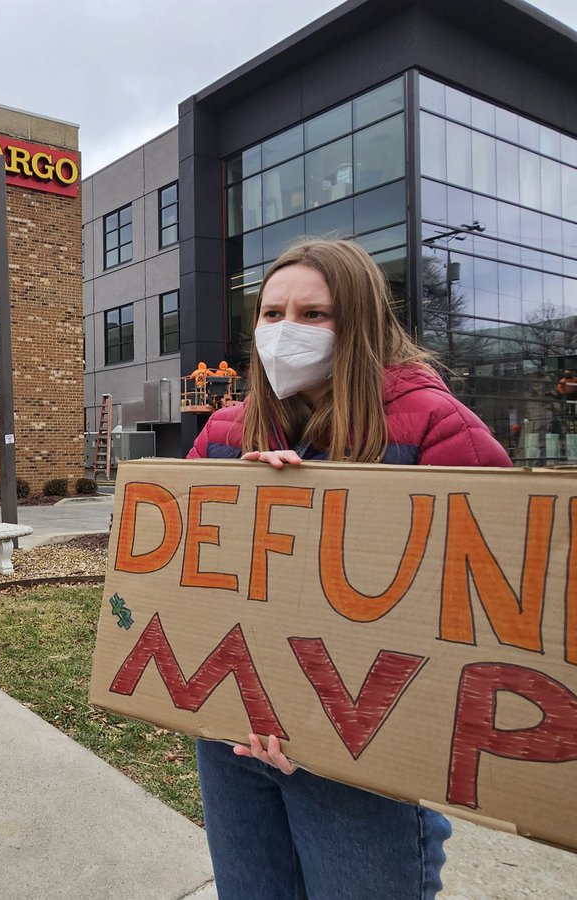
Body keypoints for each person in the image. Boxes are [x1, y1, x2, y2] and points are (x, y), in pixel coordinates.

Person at [186, 239, 511, 900]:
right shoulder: (224, 431)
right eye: (271, 313)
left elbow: (495, 597)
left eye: (313, 314)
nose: (285, 332)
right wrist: (241, 511)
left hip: (361, 754)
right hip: (234, 740)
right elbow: (160, 566)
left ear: (358, 323)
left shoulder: (439, 427)